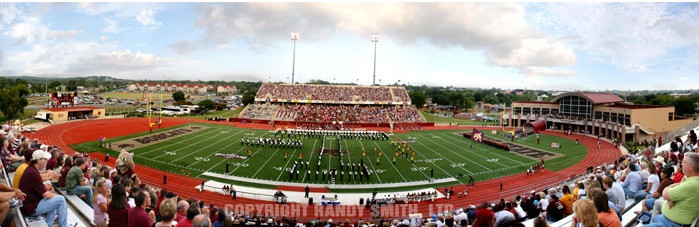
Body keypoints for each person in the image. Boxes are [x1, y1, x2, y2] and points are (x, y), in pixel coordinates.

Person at [644, 152, 699, 227]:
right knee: (655, 218)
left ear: (691, 166)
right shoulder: (692, 181)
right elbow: (680, 187)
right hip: (670, 219)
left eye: (684, 162)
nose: (682, 164)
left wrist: (670, 188)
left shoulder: (691, 185)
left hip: (671, 223)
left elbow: (664, 193)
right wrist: (671, 199)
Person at [18, 149, 68, 227]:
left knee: (53, 203)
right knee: (61, 199)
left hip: (28, 205)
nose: (46, 161)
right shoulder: (32, 172)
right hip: (30, 207)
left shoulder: (31, 169)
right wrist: (54, 196)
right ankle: (64, 225)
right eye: (45, 159)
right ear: (39, 160)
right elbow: (46, 195)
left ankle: (48, 225)